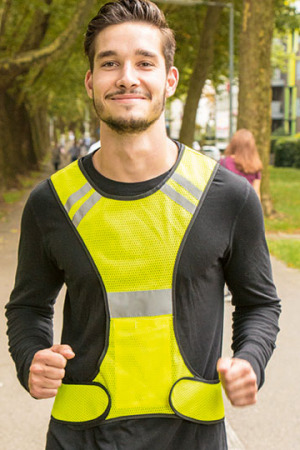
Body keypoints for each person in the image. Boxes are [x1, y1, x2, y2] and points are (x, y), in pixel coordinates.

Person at [6, 1, 281, 449]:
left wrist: (251, 360)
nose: (127, 76)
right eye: (109, 62)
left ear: (169, 79)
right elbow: (28, 307)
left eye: (144, 62)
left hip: (192, 437)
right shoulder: (50, 203)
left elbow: (260, 304)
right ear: (91, 80)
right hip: (80, 438)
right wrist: (31, 358)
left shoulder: (229, 197)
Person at [220, 129, 263, 200]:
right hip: (246, 205)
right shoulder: (255, 165)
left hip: (228, 204)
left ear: (233, 144)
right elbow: (256, 193)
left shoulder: (223, 163)